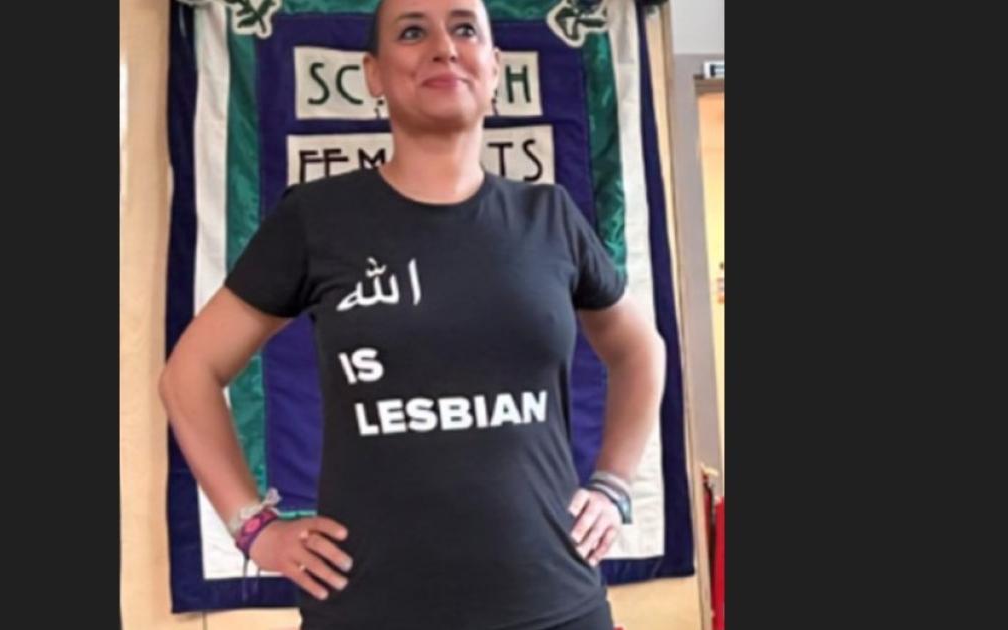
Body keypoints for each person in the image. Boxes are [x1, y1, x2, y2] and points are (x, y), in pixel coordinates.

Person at [158, 0, 666, 627]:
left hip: (554, 603)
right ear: (373, 74)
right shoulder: (317, 220)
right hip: (370, 609)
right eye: (412, 31)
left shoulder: (550, 217)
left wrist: (613, 485)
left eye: (464, 29)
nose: (444, 47)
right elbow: (188, 374)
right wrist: (252, 527)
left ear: (494, 66)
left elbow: (641, 351)